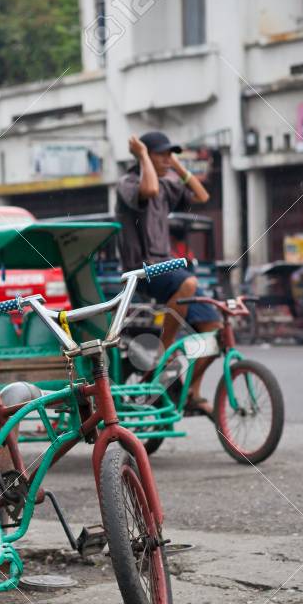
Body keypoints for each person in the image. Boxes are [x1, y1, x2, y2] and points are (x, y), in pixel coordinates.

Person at [115, 130, 219, 416]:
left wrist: (176, 165)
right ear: (145, 155)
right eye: (162, 154)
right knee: (188, 281)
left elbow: (202, 194)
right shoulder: (127, 182)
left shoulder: (166, 183)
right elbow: (147, 191)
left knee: (214, 333)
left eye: (169, 154)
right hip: (142, 270)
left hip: (166, 267)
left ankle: (193, 394)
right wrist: (144, 157)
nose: (167, 159)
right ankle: (164, 348)